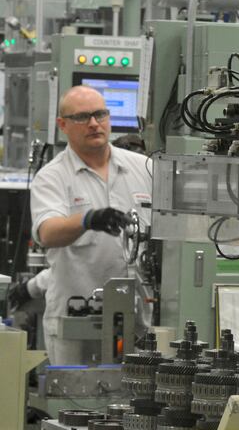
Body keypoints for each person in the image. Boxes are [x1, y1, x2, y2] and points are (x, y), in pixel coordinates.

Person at [30, 85, 152, 365]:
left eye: (100, 114)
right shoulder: (53, 177)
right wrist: (88, 219)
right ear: (63, 125)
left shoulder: (143, 169)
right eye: (82, 117)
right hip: (76, 319)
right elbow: (47, 233)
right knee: (76, 401)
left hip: (136, 319)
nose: (94, 123)